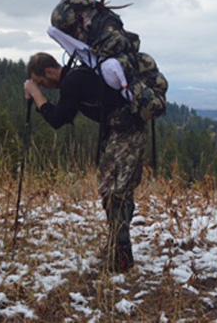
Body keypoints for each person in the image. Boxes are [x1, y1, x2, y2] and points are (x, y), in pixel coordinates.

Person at [23, 52, 146, 273]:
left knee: (114, 193)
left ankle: (122, 257)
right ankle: (117, 249)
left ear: (50, 71)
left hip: (125, 132)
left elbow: (58, 119)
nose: (46, 87)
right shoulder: (78, 76)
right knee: (119, 192)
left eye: (43, 82)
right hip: (127, 130)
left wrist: (36, 94)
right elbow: (65, 113)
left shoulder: (72, 80)